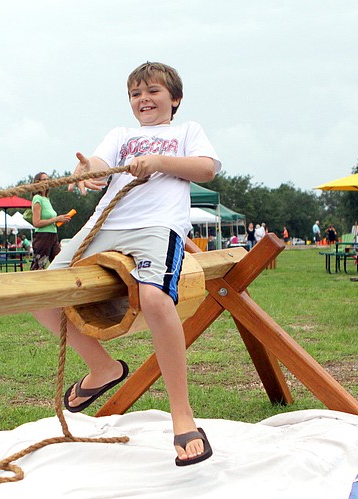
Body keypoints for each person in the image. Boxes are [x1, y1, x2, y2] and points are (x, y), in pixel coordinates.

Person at [33, 62, 220, 466]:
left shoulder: (186, 132)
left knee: (154, 298)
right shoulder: (121, 135)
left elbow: (207, 168)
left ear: (175, 99)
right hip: (105, 225)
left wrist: (158, 161)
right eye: (136, 94)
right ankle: (103, 367)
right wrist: (88, 170)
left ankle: (182, 415)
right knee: (40, 295)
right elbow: (101, 166)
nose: (143, 99)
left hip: (157, 225)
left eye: (153, 91)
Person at [30, 172, 72, 270]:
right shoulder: (37, 198)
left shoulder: (46, 199)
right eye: (44, 180)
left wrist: (61, 220)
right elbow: (36, 223)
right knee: (39, 266)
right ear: (37, 182)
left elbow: (50, 219)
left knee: (60, 263)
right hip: (43, 236)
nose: (47, 182)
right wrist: (56, 219)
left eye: (48, 179)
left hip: (53, 235)